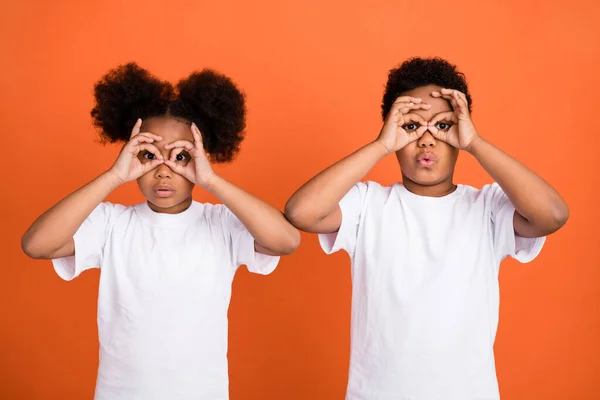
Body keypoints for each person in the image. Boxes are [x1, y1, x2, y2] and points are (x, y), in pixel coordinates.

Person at [284, 57, 569, 399]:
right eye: (411, 127)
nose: (427, 139)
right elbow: (301, 212)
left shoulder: (487, 209)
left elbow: (551, 214)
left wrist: (476, 143)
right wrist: (381, 145)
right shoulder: (368, 205)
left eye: (444, 126)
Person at [21, 62, 300, 400]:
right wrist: (113, 176)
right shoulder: (111, 224)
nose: (163, 171)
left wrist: (211, 180)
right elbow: (37, 244)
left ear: (202, 157)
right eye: (149, 155)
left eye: (181, 156)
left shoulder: (221, 224)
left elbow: (286, 240)